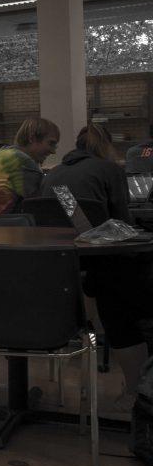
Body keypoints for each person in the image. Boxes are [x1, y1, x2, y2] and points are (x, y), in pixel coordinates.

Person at [44, 124, 151, 410]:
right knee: (125, 292)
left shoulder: (54, 174)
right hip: (101, 271)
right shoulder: (110, 170)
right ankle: (136, 390)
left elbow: (73, 220)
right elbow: (122, 223)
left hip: (58, 272)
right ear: (106, 147)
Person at [0, 117, 60, 215]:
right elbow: (42, 206)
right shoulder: (21, 161)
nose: (53, 151)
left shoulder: (4, 154)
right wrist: (56, 176)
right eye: (51, 143)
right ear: (32, 138)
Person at [40, 124, 129, 221]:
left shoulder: (53, 172)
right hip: (95, 233)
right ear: (107, 146)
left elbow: (70, 211)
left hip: (53, 234)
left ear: (78, 145)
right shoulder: (111, 170)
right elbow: (121, 216)